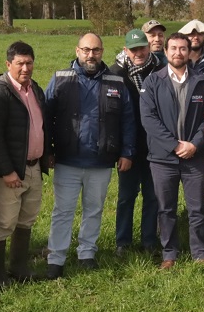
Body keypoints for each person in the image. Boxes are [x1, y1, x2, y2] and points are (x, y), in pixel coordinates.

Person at [45, 33, 136, 279]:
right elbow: (45, 117)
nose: (91, 55)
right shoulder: (60, 79)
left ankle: (87, 253)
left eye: (95, 50)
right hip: (67, 159)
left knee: (93, 209)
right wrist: (48, 151)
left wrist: (127, 152)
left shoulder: (116, 81)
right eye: (86, 50)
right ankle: (56, 258)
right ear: (77, 51)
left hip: (101, 160)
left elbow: (128, 120)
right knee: (63, 210)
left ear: (102, 51)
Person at [141, 32, 204, 269]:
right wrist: (174, 145)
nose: (178, 53)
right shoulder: (153, 81)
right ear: (165, 51)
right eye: (173, 48)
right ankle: (169, 254)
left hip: (195, 157)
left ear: (189, 51)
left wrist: (195, 144)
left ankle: (200, 254)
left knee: (198, 208)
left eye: (183, 48)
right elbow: (149, 119)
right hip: (162, 158)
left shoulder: (203, 80)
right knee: (166, 209)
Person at [0, 41, 51, 287]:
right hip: (10, 173)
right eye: (20, 63)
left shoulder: (36, 90)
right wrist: (7, 171)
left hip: (33, 168)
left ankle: (19, 267)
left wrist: (46, 157)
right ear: (8, 64)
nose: (25, 68)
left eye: (29, 62)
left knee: (26, 219)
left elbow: (41, 127)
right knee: (3, 222)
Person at [110, 29, 163, 256]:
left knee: (153, 196)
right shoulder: (115, 74)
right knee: (126, 196)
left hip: (155, 147)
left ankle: (149, 240)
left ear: (149, 46)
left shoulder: (161, 70)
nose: (138, 53)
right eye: (133, 49)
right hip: (128, 149)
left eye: (142, 47)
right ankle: (123, 241)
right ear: (126, 51)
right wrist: (122, 149)